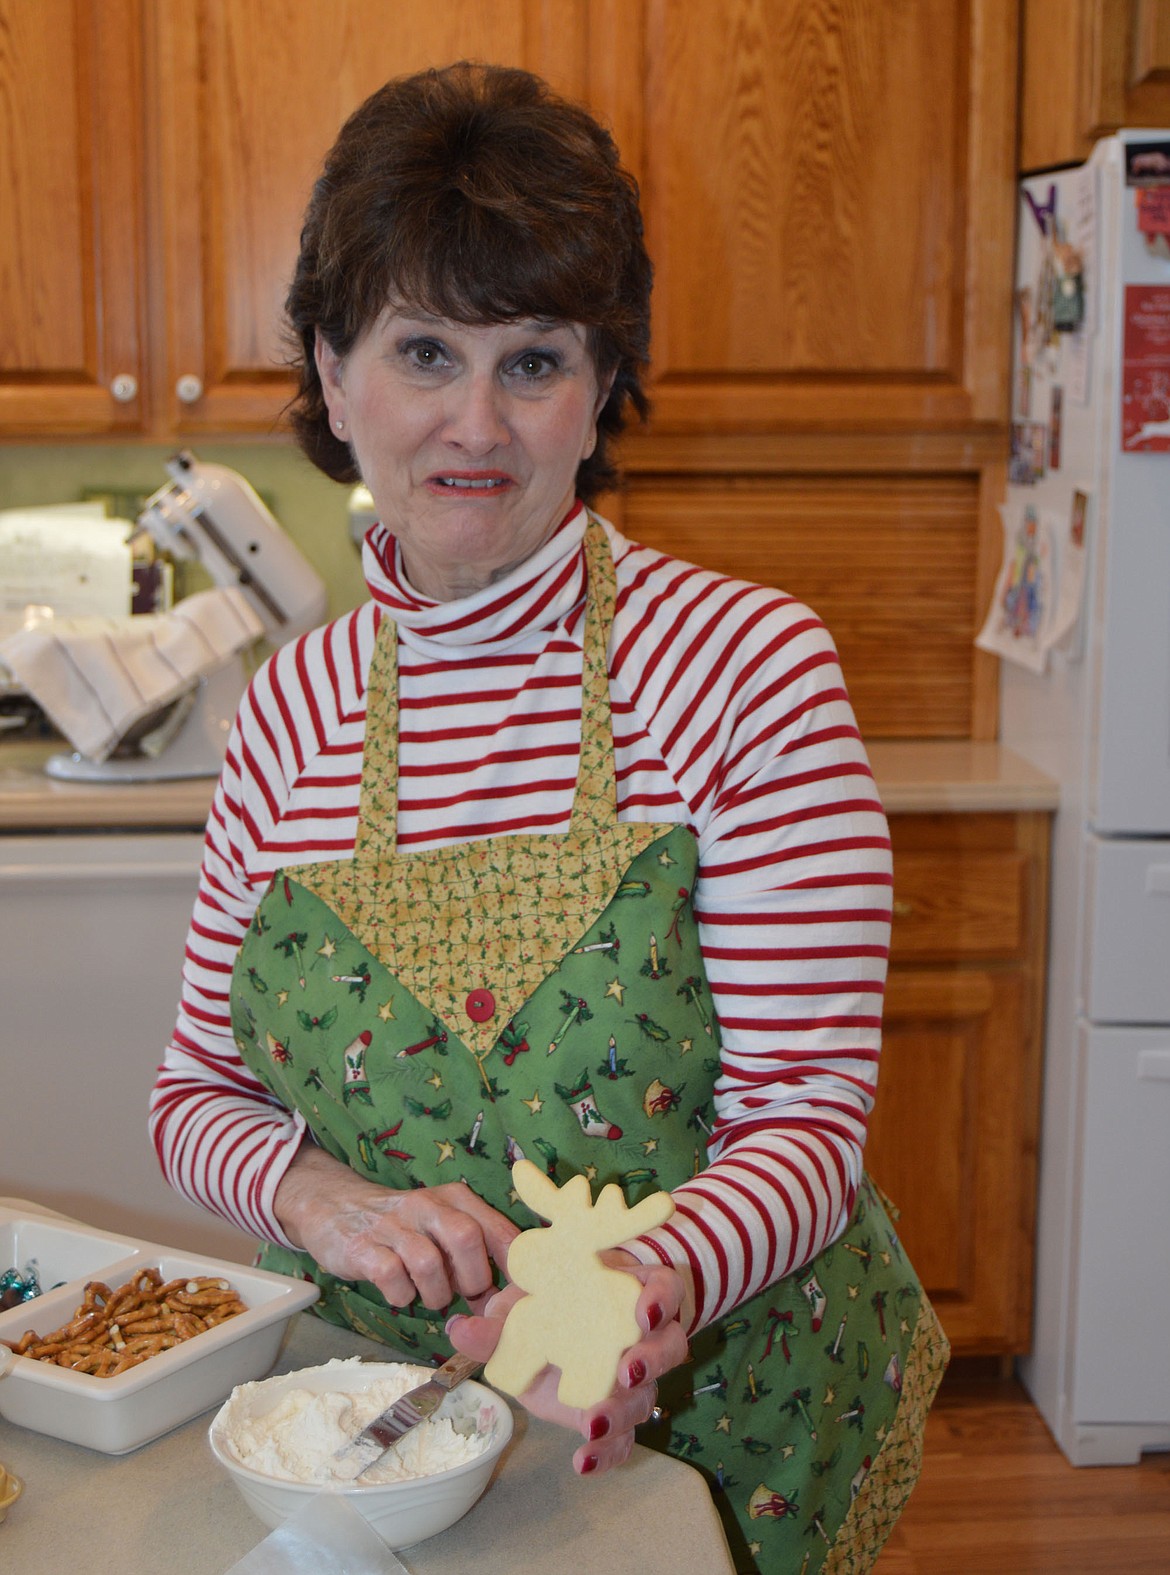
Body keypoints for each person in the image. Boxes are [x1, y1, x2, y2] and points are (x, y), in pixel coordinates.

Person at [150, 61, 948, 1573]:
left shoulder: (744, 666)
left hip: (719, 1430)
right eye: (423, 349)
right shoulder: (286, 713)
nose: (475, 422)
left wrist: (632, 1283)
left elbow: (805, 1125)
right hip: (372, 1421)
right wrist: (315, 1199)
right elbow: (195, 1090)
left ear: (600, 390)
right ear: (333, 375)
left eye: (535, 361)